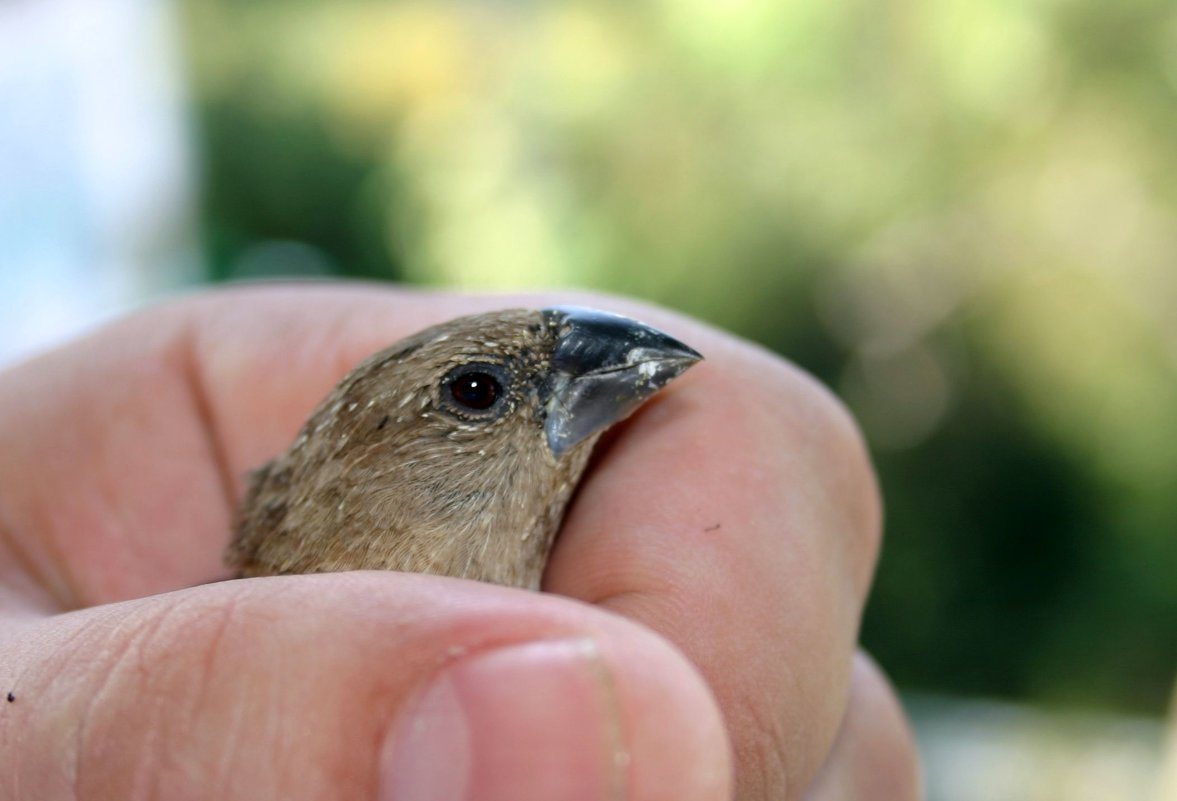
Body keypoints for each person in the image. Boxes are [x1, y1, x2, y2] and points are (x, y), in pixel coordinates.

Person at [0, 284, 919, 801]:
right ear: (361, 480)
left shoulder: (560, 641)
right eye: (478, 394)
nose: (586, 375)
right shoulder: (188, 669)